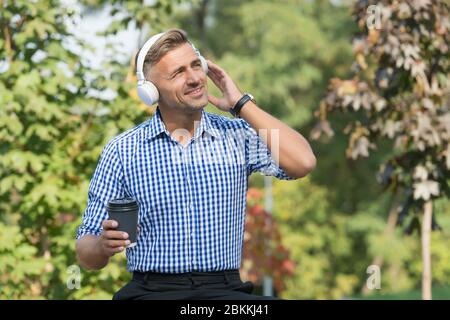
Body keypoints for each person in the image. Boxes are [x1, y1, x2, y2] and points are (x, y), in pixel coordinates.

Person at [75, 28, 316, 300]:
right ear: (150, 92)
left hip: (225, 291)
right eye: (178, 72)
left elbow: (303, 162)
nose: (194, 78)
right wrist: (103, 246)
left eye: (196, 66)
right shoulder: (122, 150)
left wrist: (240, 103)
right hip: (151, 292)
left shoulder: (237, 135)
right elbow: (86, 253)